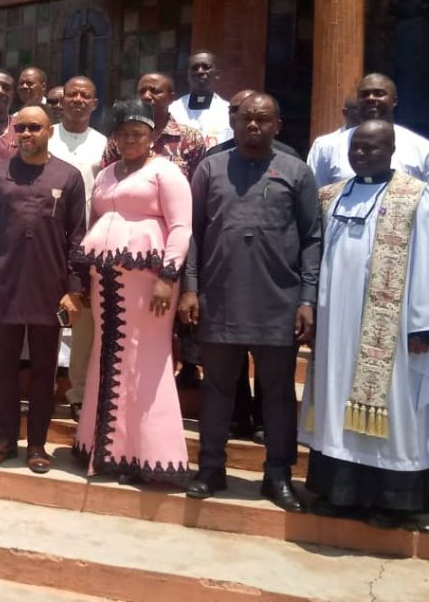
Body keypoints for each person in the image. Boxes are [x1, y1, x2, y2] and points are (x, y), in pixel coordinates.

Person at [181, 93, 321, 511]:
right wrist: (190, 288)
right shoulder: (210, 168)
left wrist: (307, 298)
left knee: (276, 395)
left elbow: (313, 237)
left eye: (263, 119)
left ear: (277, 125)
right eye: (246, 119)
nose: (254, 126)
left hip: (279, 301)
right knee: (218, 389)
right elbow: (192, 234)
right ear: (235, 123)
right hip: (219, 298)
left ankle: (277, 476)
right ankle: (210, 469)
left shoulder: (296, 172)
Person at [300, 120, 429, 530]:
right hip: (336, 319)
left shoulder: (415, 197)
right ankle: (339, 493)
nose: (363, 155)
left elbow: (426, 259)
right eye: (357, 148)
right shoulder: (330, 196)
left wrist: (421, 323)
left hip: (388, 329)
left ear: (391, 150)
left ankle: (390, 500)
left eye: (373, 148)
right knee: (335, 400)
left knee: (393, 407)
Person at [71, 99, 192, 486]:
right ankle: (104, 447)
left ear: (151, 135)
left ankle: (149, 454)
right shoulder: (106, 174)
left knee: (147, 359)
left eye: (137, 134)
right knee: (107, 356)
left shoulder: (166, 173)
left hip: (149, 283)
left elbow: (180, 228)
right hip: (106, 282)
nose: (130, 140)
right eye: (123, 134)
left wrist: (167, 277)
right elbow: (96, 220)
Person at [0, 104, 86, 474]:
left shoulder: (68, 176)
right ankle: (5, 439)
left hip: (49, 289)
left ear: (49, 131)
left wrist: (74, 289)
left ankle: (37, 444)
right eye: (20, 127)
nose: (26, 134)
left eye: (34, 127)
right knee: (3, 367)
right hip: (4, 287)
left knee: (43, 371)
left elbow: (77, 238)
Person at [48, 75, 109, 420]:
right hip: (45, 240)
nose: (78, 100)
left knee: (83, 321)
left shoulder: (104, 144)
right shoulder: (45, 136)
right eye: (72, 94)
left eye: (86, 95)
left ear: (94, 103)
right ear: (62, 99)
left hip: (87, 243)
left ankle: (78, 392)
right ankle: (44, 384)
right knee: (46, 317)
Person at [307, 74, 429, 188]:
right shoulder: (327, 147)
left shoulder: (420, 148)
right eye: (364, 95)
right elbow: (316, 197)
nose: (370, 98)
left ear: (395, 100)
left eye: (379, 93)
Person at [205, 89, 300, 159]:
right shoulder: (213, 157)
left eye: (242, 109)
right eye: (233, 110)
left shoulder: (289, 156)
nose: (236, 115)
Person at [168, 51, 232, 147]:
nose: (200, 71)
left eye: (206, 67)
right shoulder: (172, 110)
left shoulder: (228, 111)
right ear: (188, 75)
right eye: (194, 68)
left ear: (217, 74)